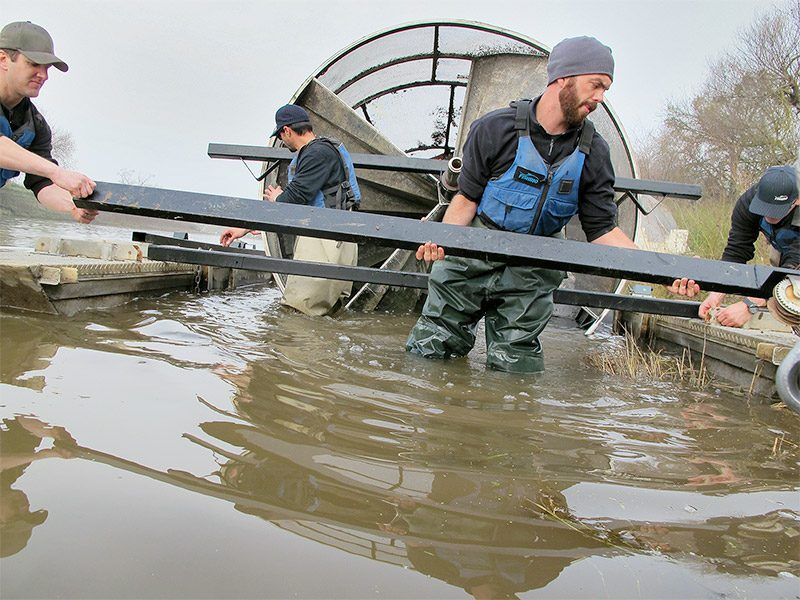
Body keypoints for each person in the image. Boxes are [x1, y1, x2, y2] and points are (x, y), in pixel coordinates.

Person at [406, 36, 699, 373]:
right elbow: (466, 201)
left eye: (606, 89)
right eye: (596, 85)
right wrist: (442, 243)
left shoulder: (595, 153)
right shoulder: (494, 129)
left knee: (516, 371)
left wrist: (663, 271)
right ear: (564, 77)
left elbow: (604, 232)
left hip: (533, 268)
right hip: (473, 253)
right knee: (431, 351)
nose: (600, 97)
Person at [220, 104, 362, 316]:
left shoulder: (316, 153)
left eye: (280, 135)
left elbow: (292, 201)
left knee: (298, 313)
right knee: (330, 313)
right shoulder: (331, 148)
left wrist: (278, 198)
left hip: (323, 238)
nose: (282, 140)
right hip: (341, 237)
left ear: (286, 130)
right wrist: (246, 228)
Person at [0, 21, 97, 223]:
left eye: (47, 68)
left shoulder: (35, 125)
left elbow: (42, 183)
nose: (43, 75)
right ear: (3, 59)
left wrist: (73, 205)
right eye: (34, 64)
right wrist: (56, 172)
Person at [698, 165, 799, 327]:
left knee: (792, 295)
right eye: (765, 208)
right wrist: (716, 294)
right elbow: (736, 251)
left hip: (796, 255)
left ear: (797, 201)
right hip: (785, 249)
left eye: (776, 210)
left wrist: (750, 304)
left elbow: (793, 268)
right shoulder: (747, 203)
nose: (769, 215)